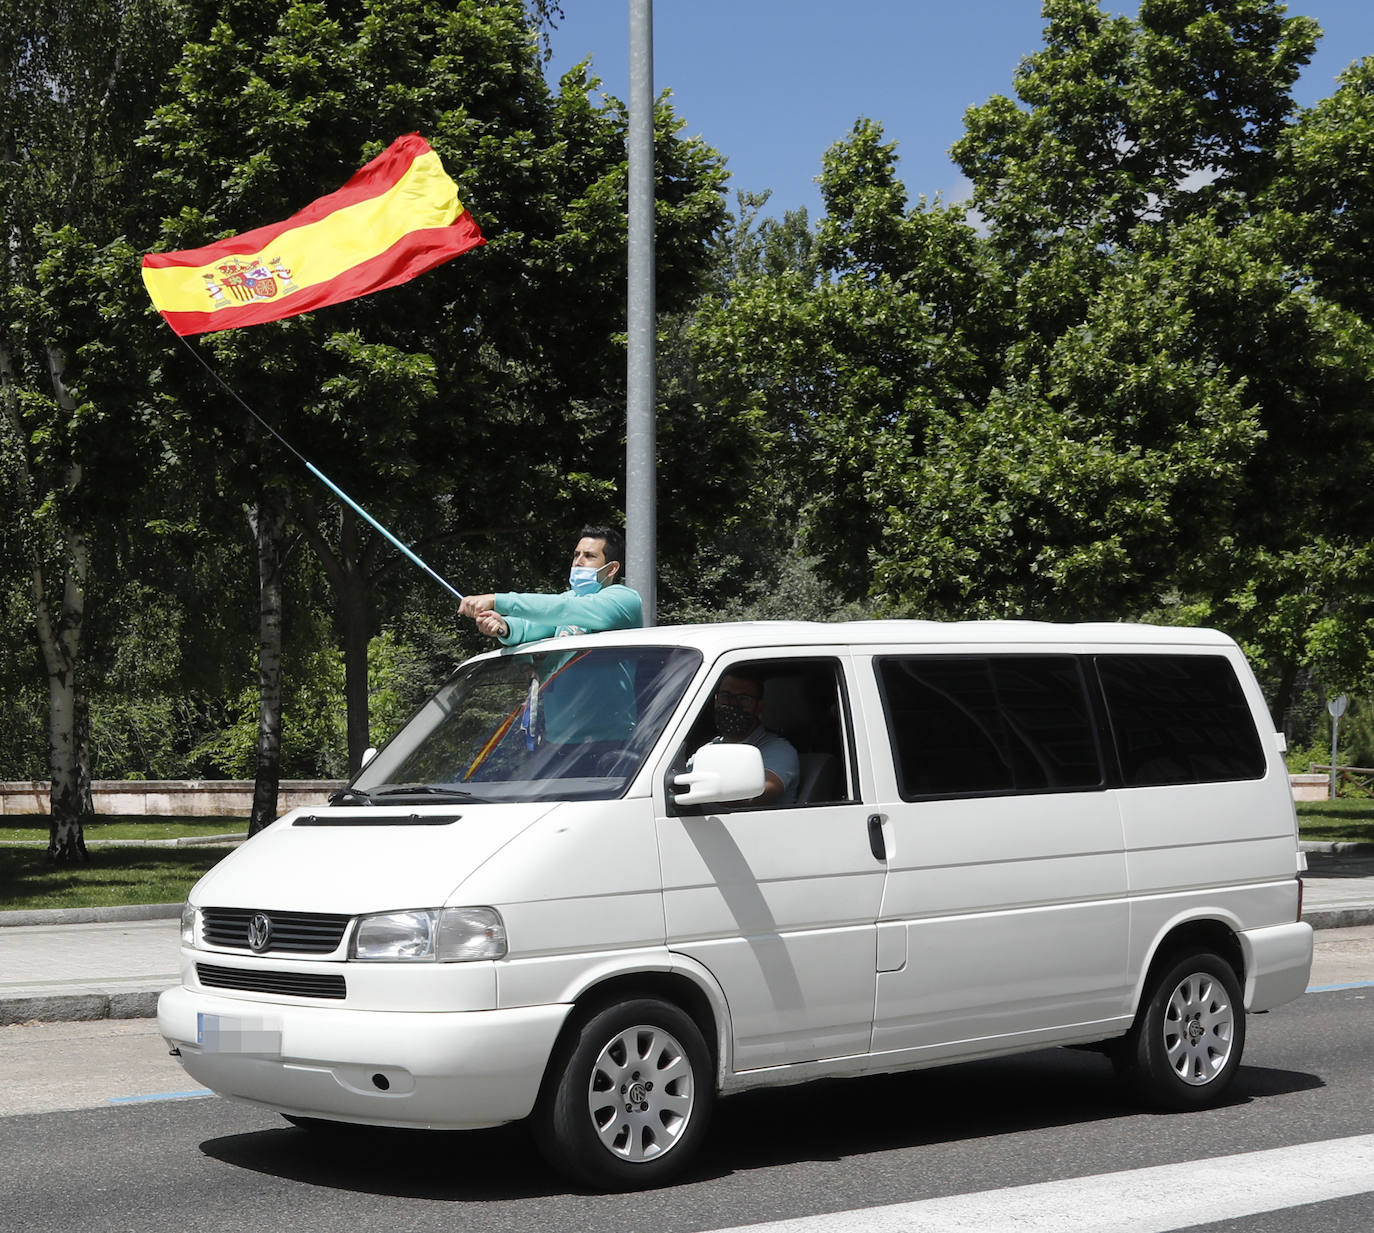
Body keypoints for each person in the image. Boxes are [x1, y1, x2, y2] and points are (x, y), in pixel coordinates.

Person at [459, 526, 643, 646]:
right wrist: (503, 626)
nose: (578, 562)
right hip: (562, 707)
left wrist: (496, 600)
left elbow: (562, 609)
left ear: (612, 569)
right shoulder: (569, 598)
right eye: (576, 555)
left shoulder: (625, 599)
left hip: (612, 708)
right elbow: (529, 626)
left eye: (589, 556)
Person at [708, 666, 799, 805]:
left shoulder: (779, 751)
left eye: (743, 699)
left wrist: (701, 793)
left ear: (759, 707)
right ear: (716, 701)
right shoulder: (710, 748)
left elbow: (752, 795)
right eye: (725, 696)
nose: (732, 704)